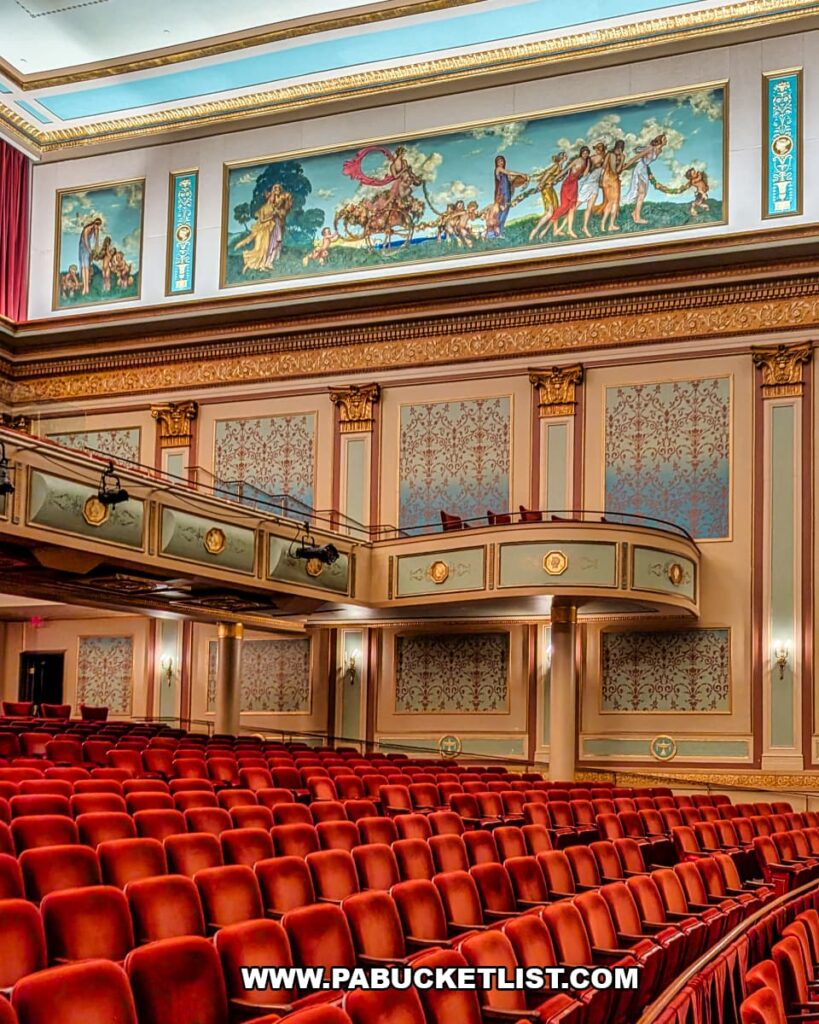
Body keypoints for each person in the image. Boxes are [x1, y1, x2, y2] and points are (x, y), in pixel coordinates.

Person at [544, 146, 591, 240]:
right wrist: (554, 180)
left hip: (574, 184)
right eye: (584, 152)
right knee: (564, 206)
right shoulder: (576, 161)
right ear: (581, 153)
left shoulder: (586, 163)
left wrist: (589, 163)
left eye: (587, 153)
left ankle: (569, 230)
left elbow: (585, 174)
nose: (585, 154)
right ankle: (547, 228)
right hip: (568, 183)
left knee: (572, 208)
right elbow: (565, 171)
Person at [624, 134, 667, 224]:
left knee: (643, 193)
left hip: (644, 170)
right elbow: (636, 158)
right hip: (640, 169)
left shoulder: (659, 150)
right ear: (660, 140)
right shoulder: (650, 148)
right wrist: (624, 167)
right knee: (642, 193)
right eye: (664, 139)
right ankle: (637, 217)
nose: (666, 140)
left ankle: (635, 213)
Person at [487, 155, 528, 240]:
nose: (501, 162)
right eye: (499, 161)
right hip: (501, 195)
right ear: (496, 163)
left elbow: (511, 182)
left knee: (504, 214)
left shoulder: (505, 175)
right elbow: (509, 172)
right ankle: (492, 233)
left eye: (502, 161)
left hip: (507, 195)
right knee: (499, 214)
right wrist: (521, 173)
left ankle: (499, 232)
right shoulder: (498, 169)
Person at [529, 152, 567, 241]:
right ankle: (534, 231)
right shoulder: (556, 166)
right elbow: (547, 174)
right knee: (549, 213)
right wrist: (541, 184)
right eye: (564, 156)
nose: (566, 157)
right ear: (561, 157)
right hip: (546, 189)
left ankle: (555, 230)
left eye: (566, 156)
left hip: (551, 189)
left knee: (556, 209)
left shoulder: (560, 167)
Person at [578, 142, 607, 237]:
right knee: (576, 205)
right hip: (588, 183)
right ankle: (565, 221)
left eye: (600, 148)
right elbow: (586, 172)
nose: (598, 150)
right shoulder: (593, 158)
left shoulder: (605, 157)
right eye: (597, 148)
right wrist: (593, 166)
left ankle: (584, 227)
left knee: (589, 207)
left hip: (595, 185)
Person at [598, 139, 626, 232]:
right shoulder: (614, 156)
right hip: (613, 180)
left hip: (605, 179)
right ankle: (611, 225)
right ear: (620, 148)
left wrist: (601, 179)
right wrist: (622, 160)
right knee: (614, 203)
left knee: (609, 202)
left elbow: (603, 166)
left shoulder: (609, 154)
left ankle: (603, 223)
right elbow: (616, 171)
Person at [78, 217, 102, 296]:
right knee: (84, 266)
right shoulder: (86, 229)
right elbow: (84, 241)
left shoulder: (96, 230)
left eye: (98, 226)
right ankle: (84, 287)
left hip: (88, 247)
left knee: (87, 267)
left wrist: (96, 251)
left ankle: (86, 287)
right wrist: (89, 251)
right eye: (96, 225)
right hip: (83, 247)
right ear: (94, 223)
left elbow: (96, 242)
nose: (97, 227)